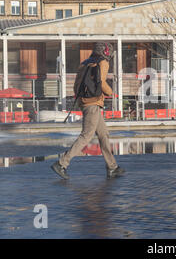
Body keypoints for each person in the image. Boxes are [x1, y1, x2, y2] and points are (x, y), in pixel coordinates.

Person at [51, 42, 125, 180]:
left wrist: (82, 101)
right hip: (93, 103)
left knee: (103, 134)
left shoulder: (84, 63)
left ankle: (112, 167)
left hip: (86, 103)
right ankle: (62, 163)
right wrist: (111, 92)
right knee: (86, 135)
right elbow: (102, 82)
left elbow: (75, 87)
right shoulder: (103, 62)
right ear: (106, 52)